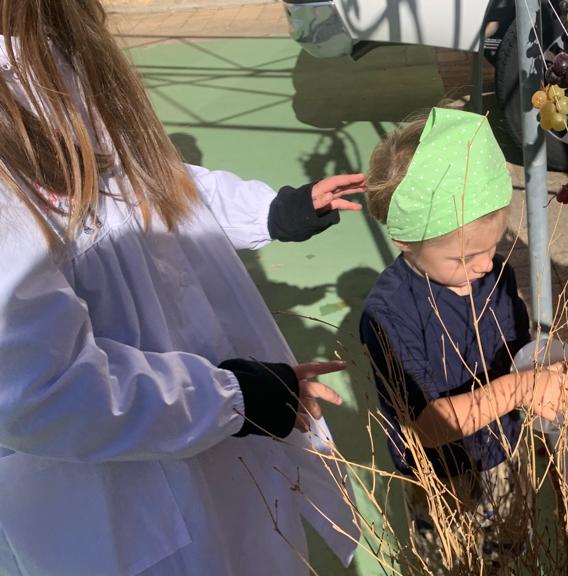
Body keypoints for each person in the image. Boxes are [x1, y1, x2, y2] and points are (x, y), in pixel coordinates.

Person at [0, 2, 362, 574]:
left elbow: (149, 182)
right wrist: (232, 398)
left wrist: (270, 211)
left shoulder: (57, 49)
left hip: (203, 437)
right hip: (121, 497)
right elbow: (41, 390)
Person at [359, 107, 568, 573]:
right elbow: (428, 425)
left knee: (510, 544)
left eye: (493, 246)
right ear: (406, 241)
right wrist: (521, 388)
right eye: (464, 257)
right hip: (439, 477)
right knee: (452, 561)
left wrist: (542, 371)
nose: (484, 265)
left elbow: (516, 351)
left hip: (502, 449)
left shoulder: (493, 276)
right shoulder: (389, 314)